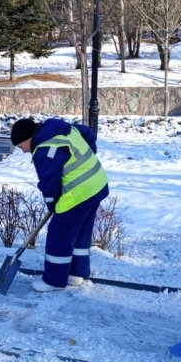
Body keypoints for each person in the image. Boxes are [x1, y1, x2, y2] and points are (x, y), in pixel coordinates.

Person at [10, 117, 110, 292]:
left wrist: (53, 205)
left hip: (79, 193)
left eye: (21, 146)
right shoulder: (61, 129)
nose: (24, 151)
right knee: (80, 232)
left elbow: (50, 185)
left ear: (27, 138)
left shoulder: (44, 150)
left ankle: (54, 281)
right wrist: (89, 156)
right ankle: (76, 274)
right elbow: (87, 133)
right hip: (97, 184)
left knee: (59, 233)